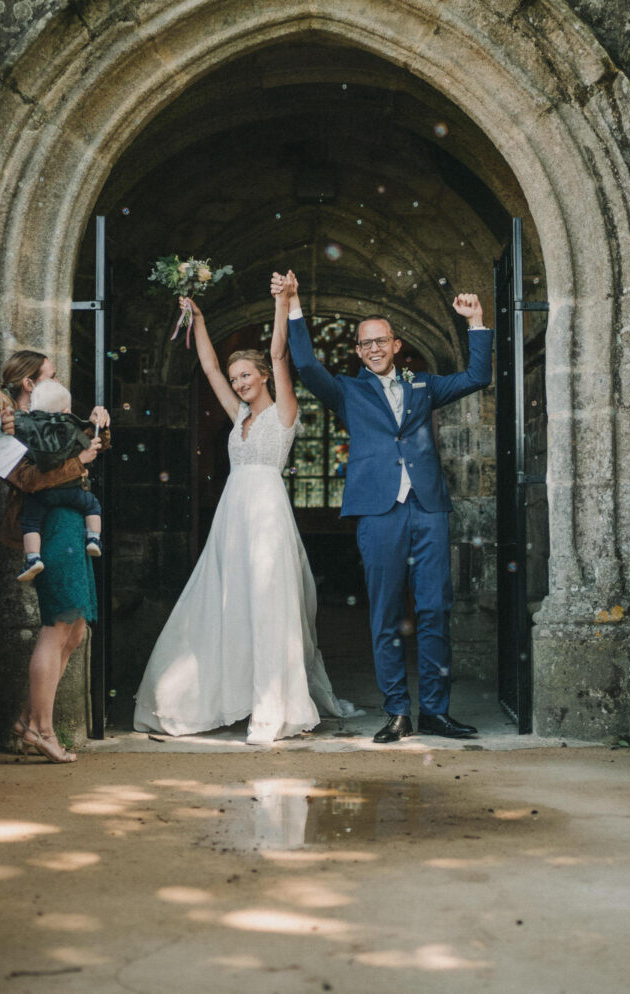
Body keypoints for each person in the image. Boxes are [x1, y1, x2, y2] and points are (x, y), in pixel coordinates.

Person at [133, 290, 360, 743]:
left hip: (268, 515)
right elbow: (210, 367)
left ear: (263, 376)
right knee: (223, 603)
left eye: (246, 375)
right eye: (236, 378)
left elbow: (279, 352)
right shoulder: (236, 416)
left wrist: (283, 301)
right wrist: (197, 319)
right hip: (232, 519)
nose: (238, 383)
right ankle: (215, 695)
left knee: (269, 604)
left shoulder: (284, 412)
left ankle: (272, 708)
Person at [286, 271, 493, 743]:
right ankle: (398, 711)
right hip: (378, 512)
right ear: (359, 352)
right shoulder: (347, 391)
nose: (374, 348)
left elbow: (478, 375)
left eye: (381, 340)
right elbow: (305, 364)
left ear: (396, 345)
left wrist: (476, 321)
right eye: (365, 344)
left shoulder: (423, 385)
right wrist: (294, 304)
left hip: (428, 508)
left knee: (435, 609)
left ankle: (436, 712)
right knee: (383, 613)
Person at [0, 351, 109, 763]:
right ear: (30, 384)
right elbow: (25, 479)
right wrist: (79, 461)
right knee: (57, 626)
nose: (59, 382)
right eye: (51, 376)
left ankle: (28, 720)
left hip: (70, 523)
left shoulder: (55, 418)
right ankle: (42, 729)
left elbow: (87, 447)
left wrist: (98, 424)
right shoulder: (8, 425)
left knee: (75, 632)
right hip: (48, 529)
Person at [10, 378, 105, 583]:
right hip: (72, 492)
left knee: (30, 522)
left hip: (42, 497)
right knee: (92, 505)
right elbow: (87, 445)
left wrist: (100, 426)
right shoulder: (69, 426)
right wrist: (86, 450)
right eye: (51, 375)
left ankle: (33, 558)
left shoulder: (28, 427)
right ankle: (94, 538)